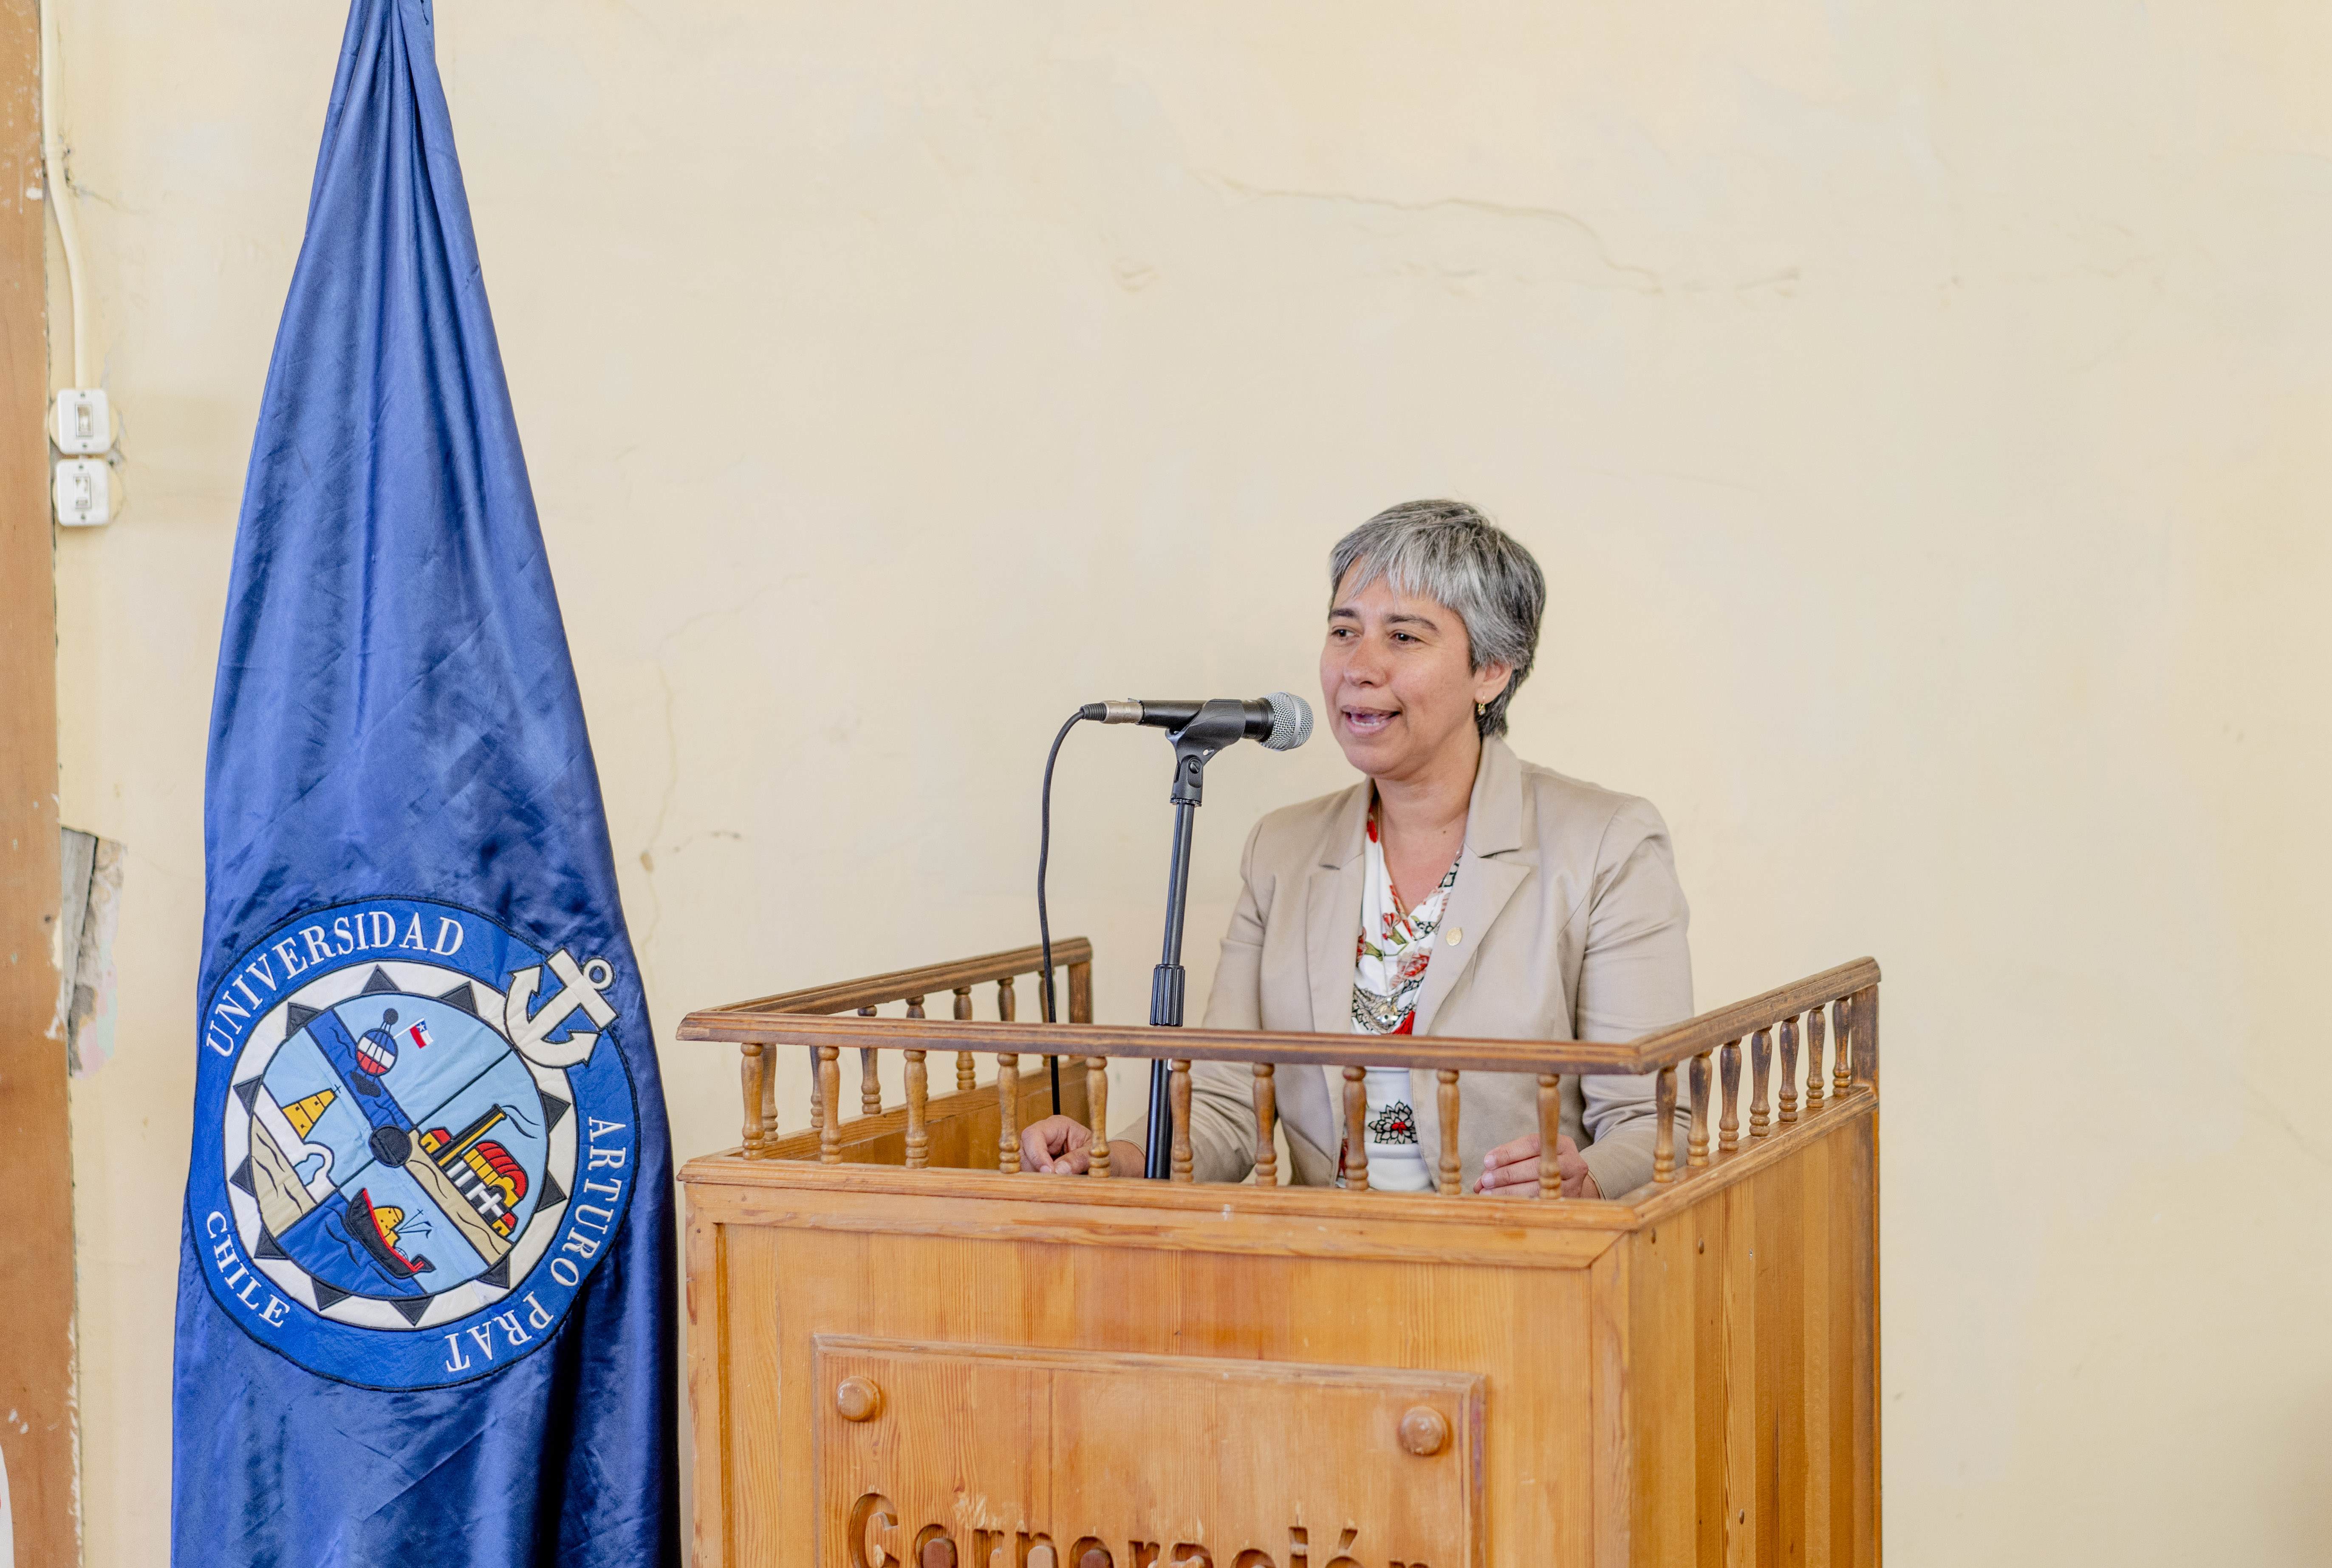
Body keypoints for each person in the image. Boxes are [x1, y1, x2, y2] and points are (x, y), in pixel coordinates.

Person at [1020, 500, 1693, 1198]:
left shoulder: (1608, 845)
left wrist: (1586, 1183)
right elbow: (1223, 1105)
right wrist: (1115, 1157)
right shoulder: (1281, 851)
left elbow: (1651, 1123)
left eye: (1403, 638)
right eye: (1344, 631)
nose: (1359, 666)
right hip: (1329, 1265)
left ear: (1491, 670)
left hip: (1512, 1272)